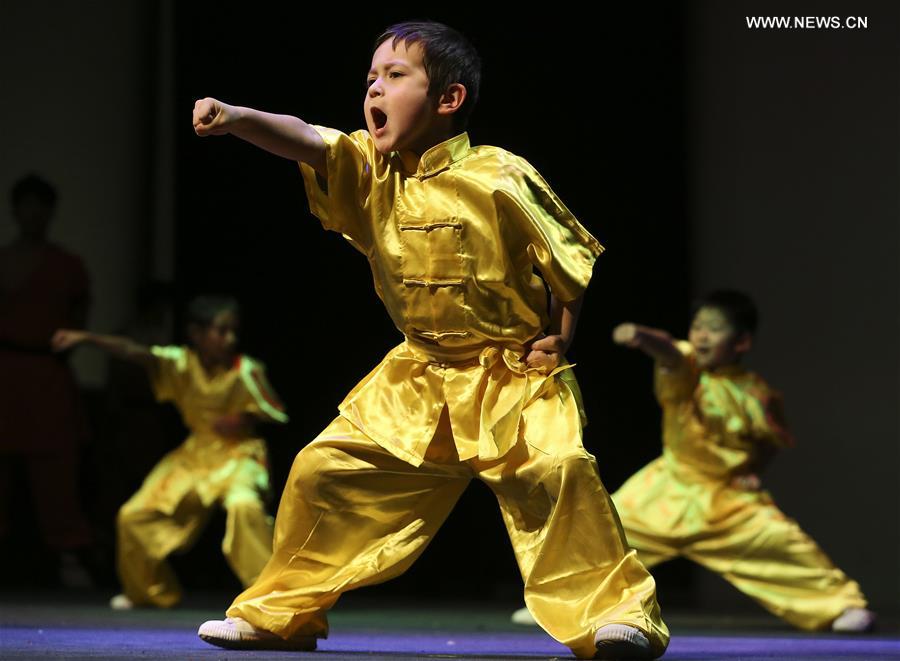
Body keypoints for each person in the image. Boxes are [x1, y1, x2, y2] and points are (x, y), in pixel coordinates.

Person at [190, 20, 668, 660]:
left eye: (394, 76)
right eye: (369, 79)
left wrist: (557, 339)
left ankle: (621, 618)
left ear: (448, 99)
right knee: (321, 470)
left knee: (560, 472)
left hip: (511, 379)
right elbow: (306, 139)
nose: (373, 91)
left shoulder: (501, 175)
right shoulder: (370, 170)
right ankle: (283, 615)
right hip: (418, 378)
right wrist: (237, 116)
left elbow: (568, 265)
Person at [52, 295, 288, 608]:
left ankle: (267, 598)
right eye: (221, 331)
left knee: (245, 507)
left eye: (233, 331)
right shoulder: (181, 363)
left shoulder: (245, 370)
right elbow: (135, 352)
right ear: (197, 334)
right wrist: (88, 338)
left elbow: (274, 409)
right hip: (195, 455)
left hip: (239, 456)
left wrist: (245, 417)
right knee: (133, 515)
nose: (229, 339)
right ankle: (148, 592)